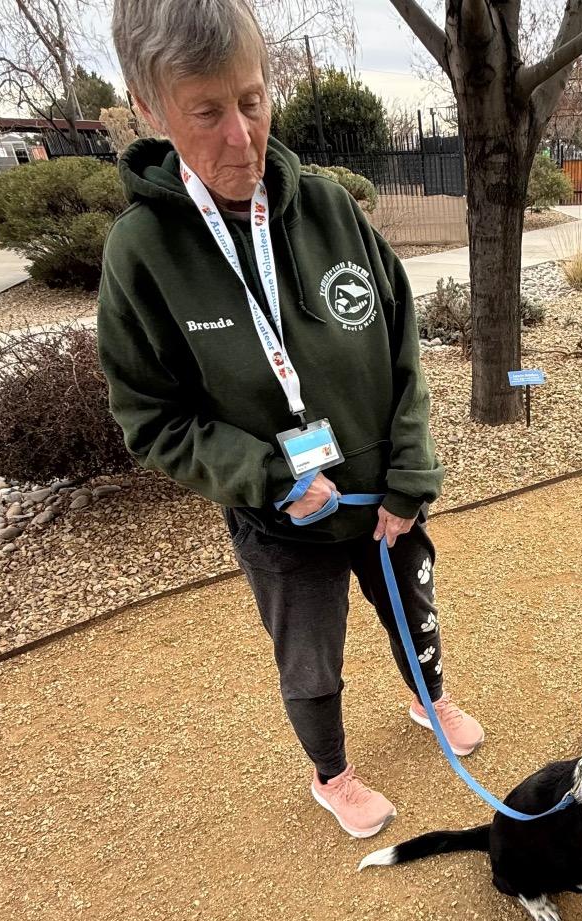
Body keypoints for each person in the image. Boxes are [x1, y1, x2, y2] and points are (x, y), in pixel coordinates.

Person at [100, 0, 484, 839]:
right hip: (282, 520)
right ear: (150, 109)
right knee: (310, 660)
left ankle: (429, 698)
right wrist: (271, 477)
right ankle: (332, 774)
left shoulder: (330, 208)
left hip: (382, 498)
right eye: (207, 112)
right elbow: (152, 420)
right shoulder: (141, 251)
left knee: (415, 606)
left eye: (252, 100)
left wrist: (410, 476)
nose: (242, 137)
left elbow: (401, 350)